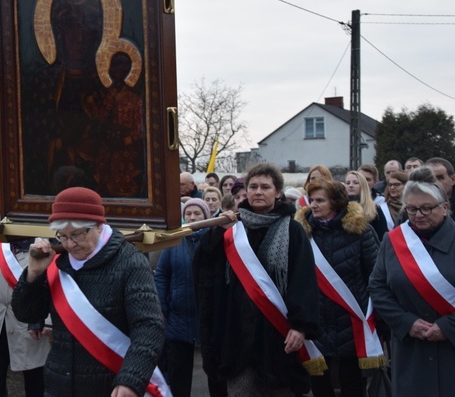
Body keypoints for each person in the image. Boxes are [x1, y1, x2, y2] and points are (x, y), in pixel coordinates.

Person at [12, 187, 167, 397]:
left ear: (98, 226)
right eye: (62, 236)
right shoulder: (57, 261)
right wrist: (33, 274)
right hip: (59, 384)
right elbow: (27, 314)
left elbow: (148, 326)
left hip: (111, 383)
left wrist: (131, 379)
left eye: (76, 234)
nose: (69, 244)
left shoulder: (130, 261)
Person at [195, 162, 322, 396]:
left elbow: (303, 280)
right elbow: (205, 270)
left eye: (265, 187)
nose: (258, 191)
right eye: (253, 186)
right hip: (237, 337)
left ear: (278, 192)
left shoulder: (293, 230)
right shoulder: (232, 228)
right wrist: (217, 233)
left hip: (278, 337)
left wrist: (300, 325)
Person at [368, 167, 455, 396]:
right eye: (413, 209)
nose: (418, 215)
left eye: (427, 208)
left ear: (444, 208)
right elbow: (377, 287)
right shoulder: (394, 241)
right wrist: (407, 323)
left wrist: (447, 327)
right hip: (410, 349)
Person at [295, 180, 381, 397]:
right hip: (317, 320)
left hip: (352, 320)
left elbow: (376, 276)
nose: (313, 205)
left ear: (336, 202)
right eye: (311, 200)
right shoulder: (302, 233)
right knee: (321, 387)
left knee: (352, 385)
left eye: (320, 200)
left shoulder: (361, 231)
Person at [0, 235, 51, 397]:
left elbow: (52, 285)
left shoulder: (42, 247)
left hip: (29, 323)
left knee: (34, 377)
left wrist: (46, 321)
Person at [156, 198, 223, 397]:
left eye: (197, 213)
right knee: (179, 377)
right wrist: (162, 307)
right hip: (179, 318)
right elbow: (161, 274)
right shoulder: (174, 241)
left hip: (210, 318)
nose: (192, 217)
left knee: (216, 375)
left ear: (206, 216)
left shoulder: (215, 240)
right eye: (189, 214)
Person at [344, 170, 387, 241]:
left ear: (363, 186)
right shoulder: (340, 208)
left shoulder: (374, 209)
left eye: (355, 183)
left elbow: (382, 236)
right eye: (347, 183)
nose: (350, 185)